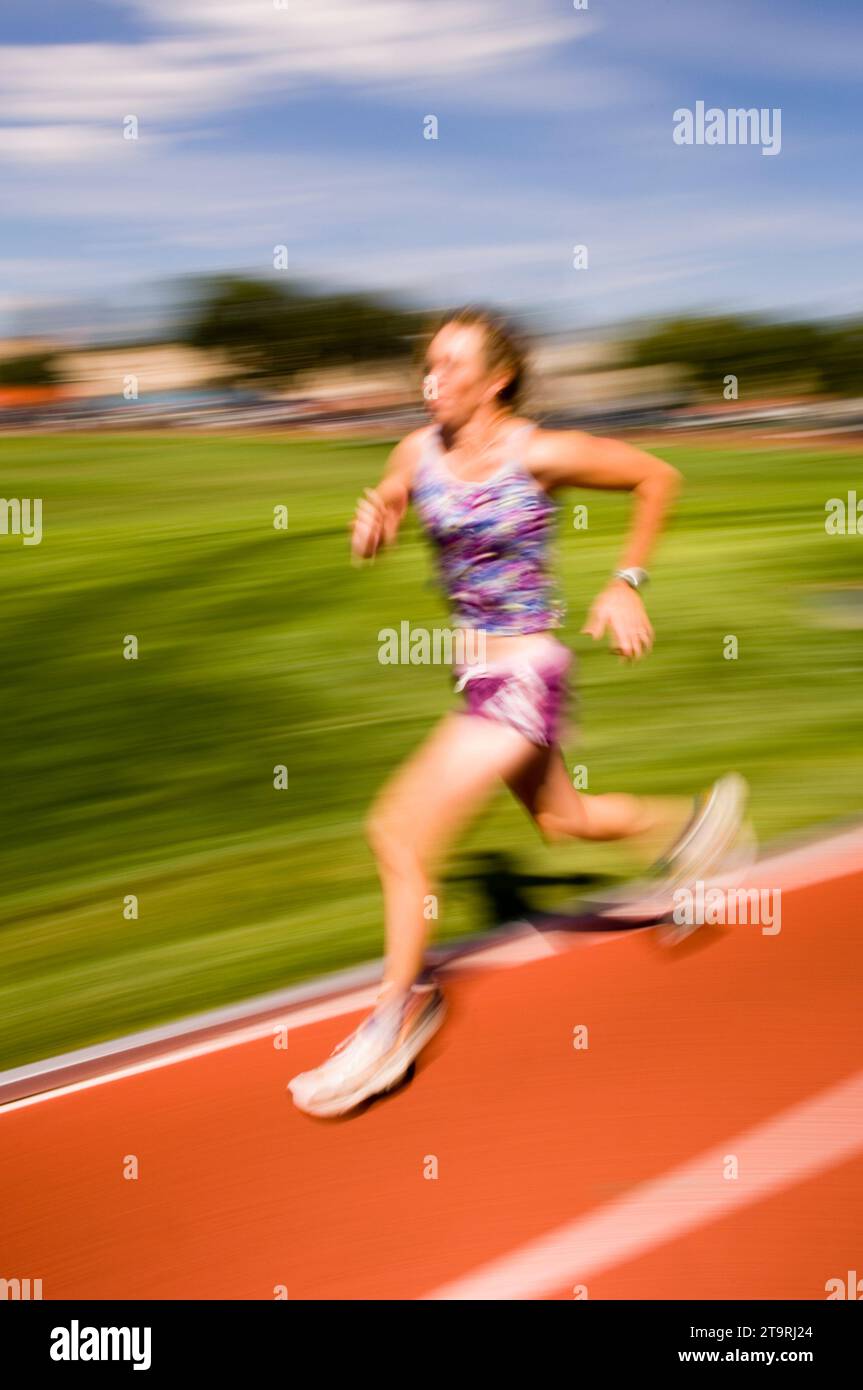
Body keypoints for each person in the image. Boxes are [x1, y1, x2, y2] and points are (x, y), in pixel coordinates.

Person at [288, 306, 747, 1118]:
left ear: (496, 379)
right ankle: (702, 826)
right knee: (562, 822)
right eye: (429, 362)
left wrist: (625, 582)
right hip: (476, 678)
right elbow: (395, 486)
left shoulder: (539, 451)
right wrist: (379, 513)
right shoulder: (416, 449)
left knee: (395, 832)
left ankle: (398, 1017)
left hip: (524, 675)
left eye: (455, 365)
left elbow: (656, 477)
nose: (435, 378)